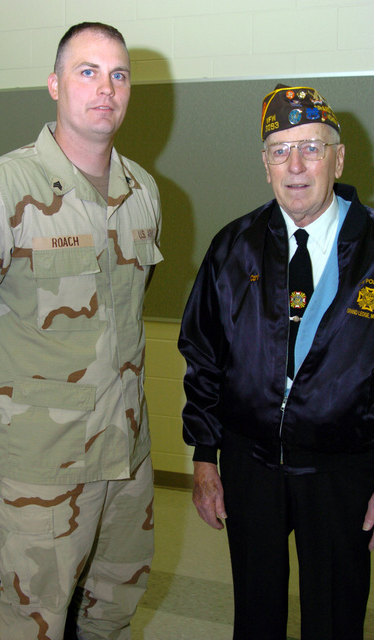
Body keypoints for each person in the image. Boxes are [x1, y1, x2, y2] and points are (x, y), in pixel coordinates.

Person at [0, 21, 162, 640]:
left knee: (114, 609)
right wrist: (1, 413)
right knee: (31, 618)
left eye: (119, 74)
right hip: (40, 462)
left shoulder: (142, 191)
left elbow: (124, 309)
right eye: (87, 71)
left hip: (126, 450)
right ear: (54, 84)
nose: (106, 88)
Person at [178, 83, 374, 640]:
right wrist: (205, 456)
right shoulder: (232, 247)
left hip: (342, 468)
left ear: (339, 157)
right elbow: (204, 358)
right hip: (251, 464)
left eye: (311, 147)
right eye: (280, 150)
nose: (296, 164)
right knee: (256, 616)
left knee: (336, 618)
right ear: (264, 165)